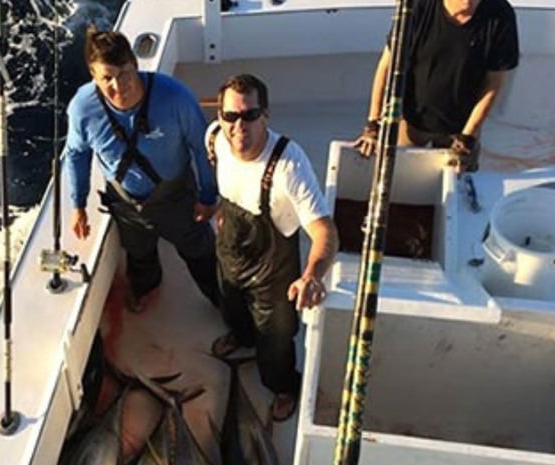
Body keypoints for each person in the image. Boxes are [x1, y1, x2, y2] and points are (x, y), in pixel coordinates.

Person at [207, 74, 339, 423]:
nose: (239, 126)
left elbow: (325, 232)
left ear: (266, 114)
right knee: (231, 306)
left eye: (249, 115)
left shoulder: (288, 165)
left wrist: (311, 276)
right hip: (230, 253)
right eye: (231, 116)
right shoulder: (215, 138)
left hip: (273, 272)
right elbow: (223, 179)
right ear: (220, 116)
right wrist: (217, 208)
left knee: (276, 341)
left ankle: (283, 388)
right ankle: (239, 336)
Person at [65, 28, 218, 313]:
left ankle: (222, 300)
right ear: (93, 77)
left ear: (135, 64)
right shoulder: (82, 108)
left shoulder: (176, 98)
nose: (117, 85)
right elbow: (76, 153)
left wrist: (209, 196)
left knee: (200, 252)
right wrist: (78, 204)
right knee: (139, 254)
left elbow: (202, 148)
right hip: (126, 203)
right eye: (106, 78)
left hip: (176, 196)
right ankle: (147, 288)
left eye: (123, 73)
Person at [354, 0, 519, 171]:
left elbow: (494, 82)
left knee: (457, 187)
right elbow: (386, 66)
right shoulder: (418, 6)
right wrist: (373, 125)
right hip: (410, 121)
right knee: (400, 177)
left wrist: (467, 138)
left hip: (461, 130)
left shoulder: (500, 14)